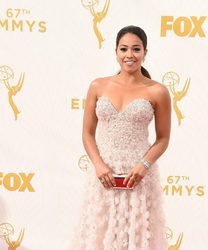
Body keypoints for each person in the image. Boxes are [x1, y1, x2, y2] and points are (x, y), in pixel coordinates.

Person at [70, 25, 171, 250]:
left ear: (145, 52)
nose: (129, 55)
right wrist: (98, 164)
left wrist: (143, 165)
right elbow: (87, 133)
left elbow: (163, 138)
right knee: (100, 230)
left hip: (138, 174)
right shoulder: (98, 86)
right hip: (103, 173)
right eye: (124, 49)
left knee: (137, 233)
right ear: (116, 51)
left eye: (136, 49)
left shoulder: (158, 91)